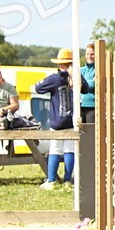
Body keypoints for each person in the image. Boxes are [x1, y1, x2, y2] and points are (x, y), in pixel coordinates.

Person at [35, 48, 76, 190]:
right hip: (72, 119)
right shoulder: (76, 76)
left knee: (55, 149)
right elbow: (86, 88)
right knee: (70, 150)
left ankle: (51, 180)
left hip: (57, 120)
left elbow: (38, 88)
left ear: (59, 64)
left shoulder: (54, 78)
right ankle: (67, 181)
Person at [80, 43, 96, 124]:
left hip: (92, 107)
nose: (89, 56)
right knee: (80, 132)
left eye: (92, 54)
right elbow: (76, 84)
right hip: (80, 105)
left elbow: (95, 84)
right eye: (87, 54)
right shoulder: (81, 70)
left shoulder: (98, 69)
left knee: (90, 132)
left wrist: (82, 83)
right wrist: (90, 82)